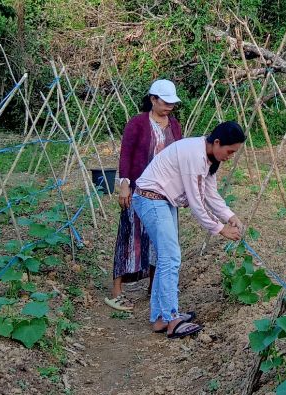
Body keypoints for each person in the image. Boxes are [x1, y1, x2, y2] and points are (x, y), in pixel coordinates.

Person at [131, 121, 245, 338]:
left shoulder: (210, 158)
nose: (230, 156)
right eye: (230, 151)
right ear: (218, 142)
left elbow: (210, 194)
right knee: (171, 258)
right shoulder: (194, 154)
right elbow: (196, 201)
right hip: (151, 199)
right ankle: (172, 319)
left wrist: (230, 216)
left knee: (167, 257)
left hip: (163, 201)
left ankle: (159, 319)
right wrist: (220, 229)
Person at [105, 79, 183, 312]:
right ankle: (117, 291)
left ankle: (154, 287)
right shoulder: (137, 124)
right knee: (130, 234)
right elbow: (126, 155)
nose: (169, 106)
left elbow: (178, 157)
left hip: (165, 192)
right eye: (165, 101)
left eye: (172, 102)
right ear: (153, 99)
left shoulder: (175, 126)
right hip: (139, 190)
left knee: (160, 240)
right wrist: (124, 185)